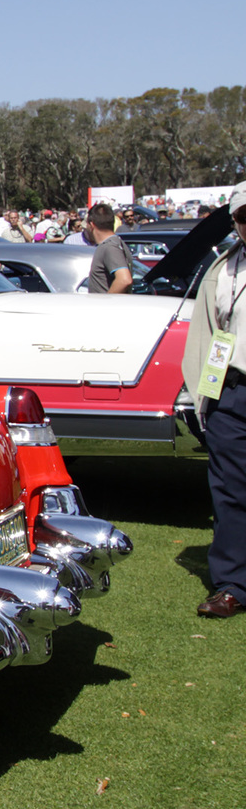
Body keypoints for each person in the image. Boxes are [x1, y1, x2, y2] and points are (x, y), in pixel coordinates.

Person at [182, 181, 246, 618]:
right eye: (244, 217)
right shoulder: (224, 269)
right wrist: (203, 396)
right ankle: (233, 584)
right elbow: (210, 336)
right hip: (233, 393)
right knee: (229, 493)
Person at [86, 203, 133, 294]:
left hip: (108, 307)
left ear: (92, 225)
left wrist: (106, 303)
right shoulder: (116, 243)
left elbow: (124, 280)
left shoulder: (110, 246)